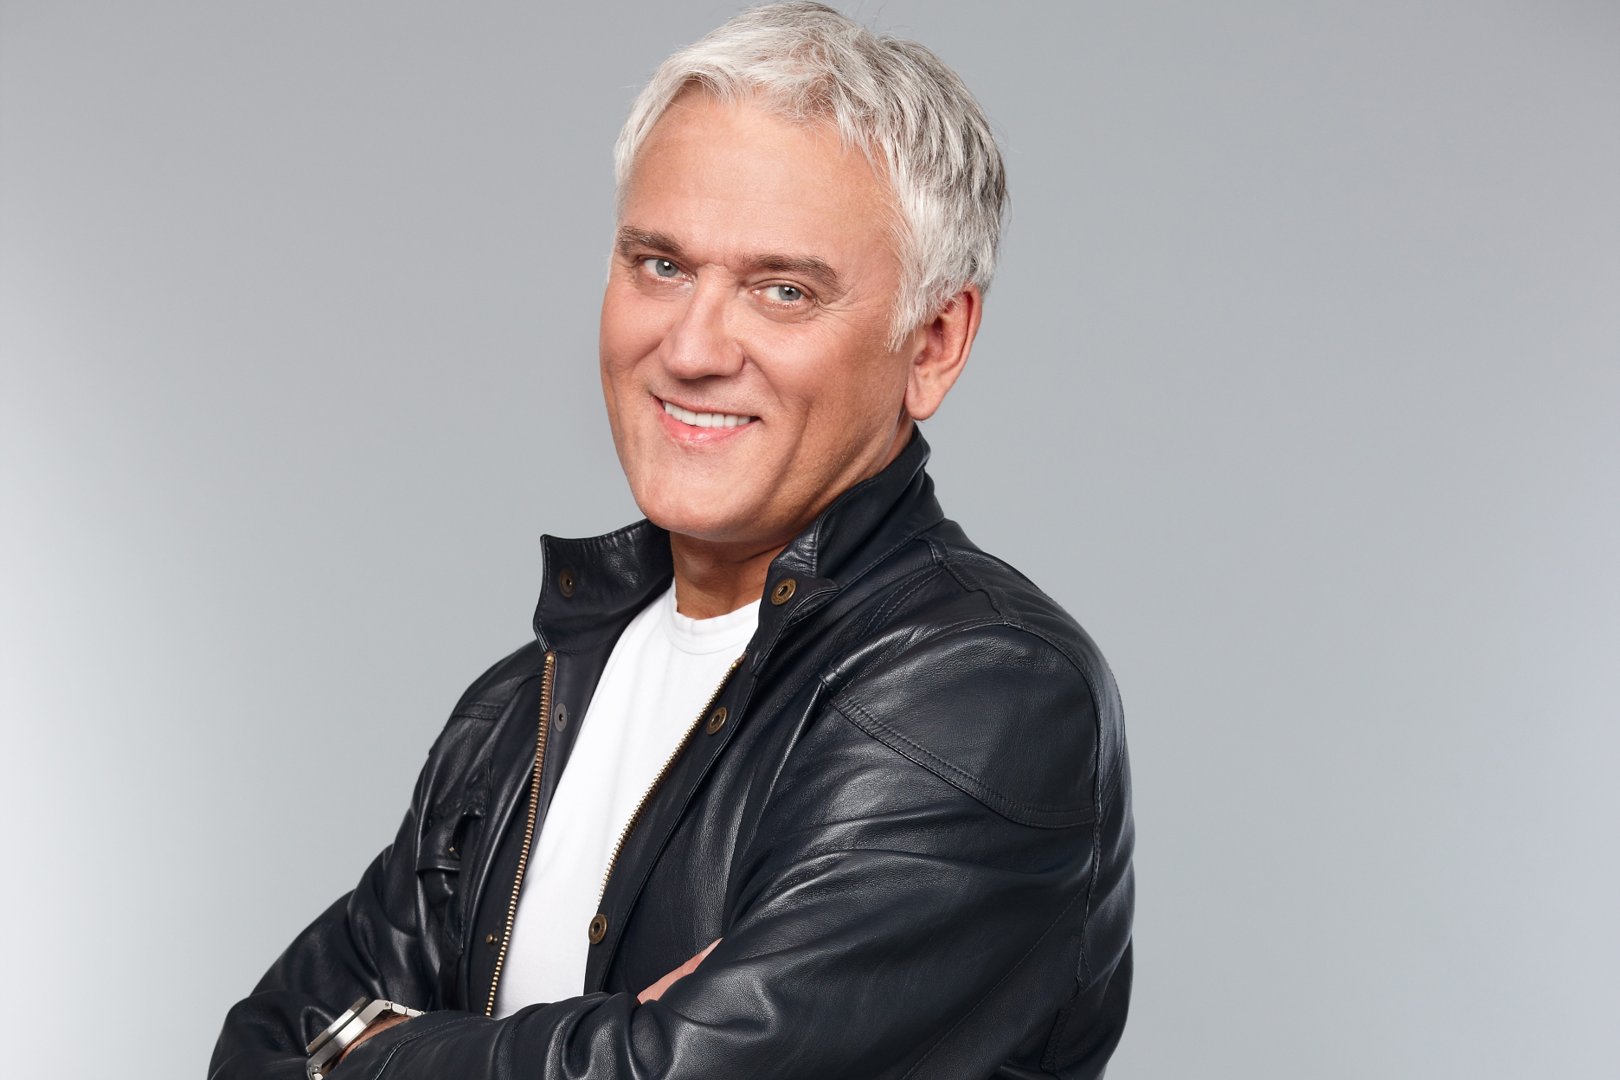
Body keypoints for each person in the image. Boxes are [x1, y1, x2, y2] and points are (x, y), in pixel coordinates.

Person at [209, 3, 1134, 1078]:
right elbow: (256, 1050)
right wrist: (605, 1046)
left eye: (783, 291)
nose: (692, 349)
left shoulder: (983, 693)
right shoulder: (521, 710)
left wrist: (366, 1055)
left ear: (932, 343)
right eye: (660, 265)